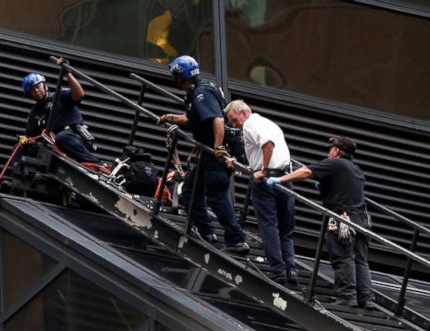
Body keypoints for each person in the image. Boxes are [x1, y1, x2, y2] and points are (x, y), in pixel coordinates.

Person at [157, 55, 250, 254]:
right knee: (190, 192)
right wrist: (169, 117)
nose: (174, 80)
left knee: (216, 195)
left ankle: (237, 240)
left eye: (176, 76)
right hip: (208, 155)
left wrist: (217, 147)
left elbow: (216, 120)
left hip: (217, 154)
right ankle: (207, 233)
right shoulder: (194, 93)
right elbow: (194, 119)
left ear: (183, 75)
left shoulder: (202, 93)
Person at [267, 136, 372, 308]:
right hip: (362, 220)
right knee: (360, 260)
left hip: (342, 218)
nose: (328, 152)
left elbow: (307, 172)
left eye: (330, 148)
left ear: (336, 151)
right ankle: (366, 298)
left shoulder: (335, 163)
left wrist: (281, 180)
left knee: (343, 257)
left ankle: (347, 296)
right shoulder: (356, 169)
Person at [222, 99, 298, 287]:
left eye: (234, 120)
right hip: (284, 179)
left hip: (266, 180)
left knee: (268, 224)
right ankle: (291, 268)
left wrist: (263, 170)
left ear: (244, 113)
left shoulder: (250, 124)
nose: (234, 125)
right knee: (286, 228)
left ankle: (278, 270)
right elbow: (261, 151)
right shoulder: (268, 123)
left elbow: (267, 144)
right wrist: (239, 165)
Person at [21, 58, 103, 165]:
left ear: (45, 85)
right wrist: (26, 140)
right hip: (55, 145)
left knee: (62, 137)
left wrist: (67, 73)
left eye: (38, 86)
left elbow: (79, 95)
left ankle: (97, 164)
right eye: (32, 90)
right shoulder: (34, 113)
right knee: (25, 147)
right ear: (29, 95)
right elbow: (31, 137)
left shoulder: (59, 95)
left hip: (75, 138)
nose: (36, 91)